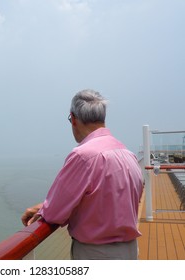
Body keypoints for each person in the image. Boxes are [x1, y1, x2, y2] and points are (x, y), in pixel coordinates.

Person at [21, 89, 144, 260]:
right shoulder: (127, 154)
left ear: (73, 119)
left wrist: (44, 208)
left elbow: (54, 212)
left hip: (97, 255)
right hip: (130, 251)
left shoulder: (83, 156)